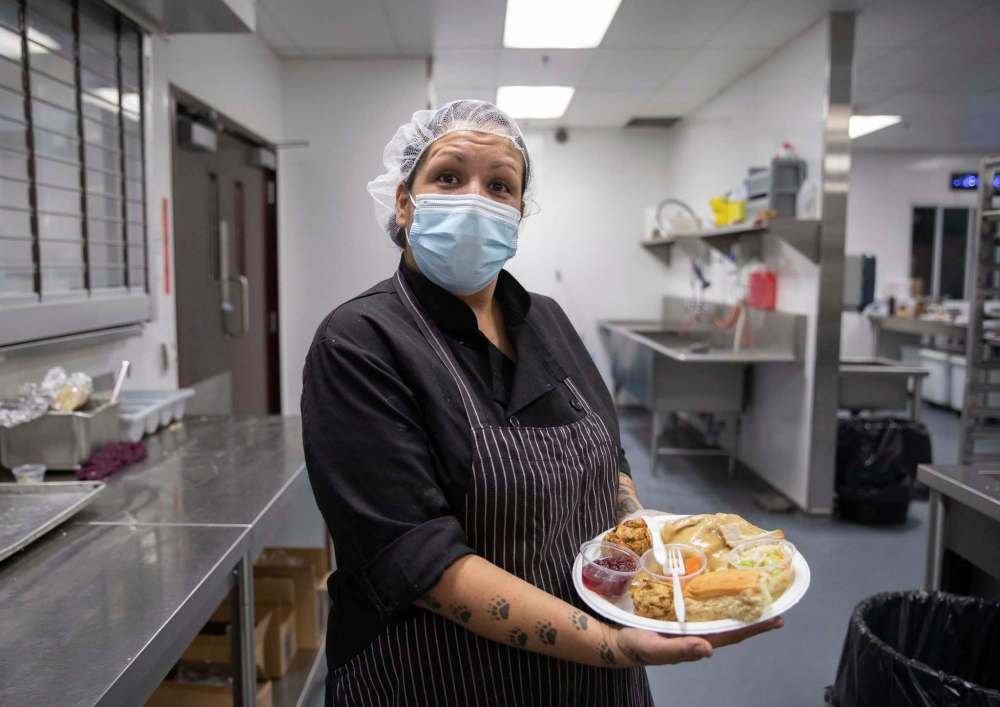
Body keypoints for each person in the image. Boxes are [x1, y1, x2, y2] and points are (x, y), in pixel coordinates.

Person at [302, 99, 781, 706]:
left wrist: (656, 541)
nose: (476, 199)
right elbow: (419, 560)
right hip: (440, 678)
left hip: (591, 681)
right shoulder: (360, 342)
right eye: (449, 177)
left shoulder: (545, 321)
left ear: (519, 214)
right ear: (405, 201)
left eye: (499, 186)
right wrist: (616, 645)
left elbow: (606, 457)